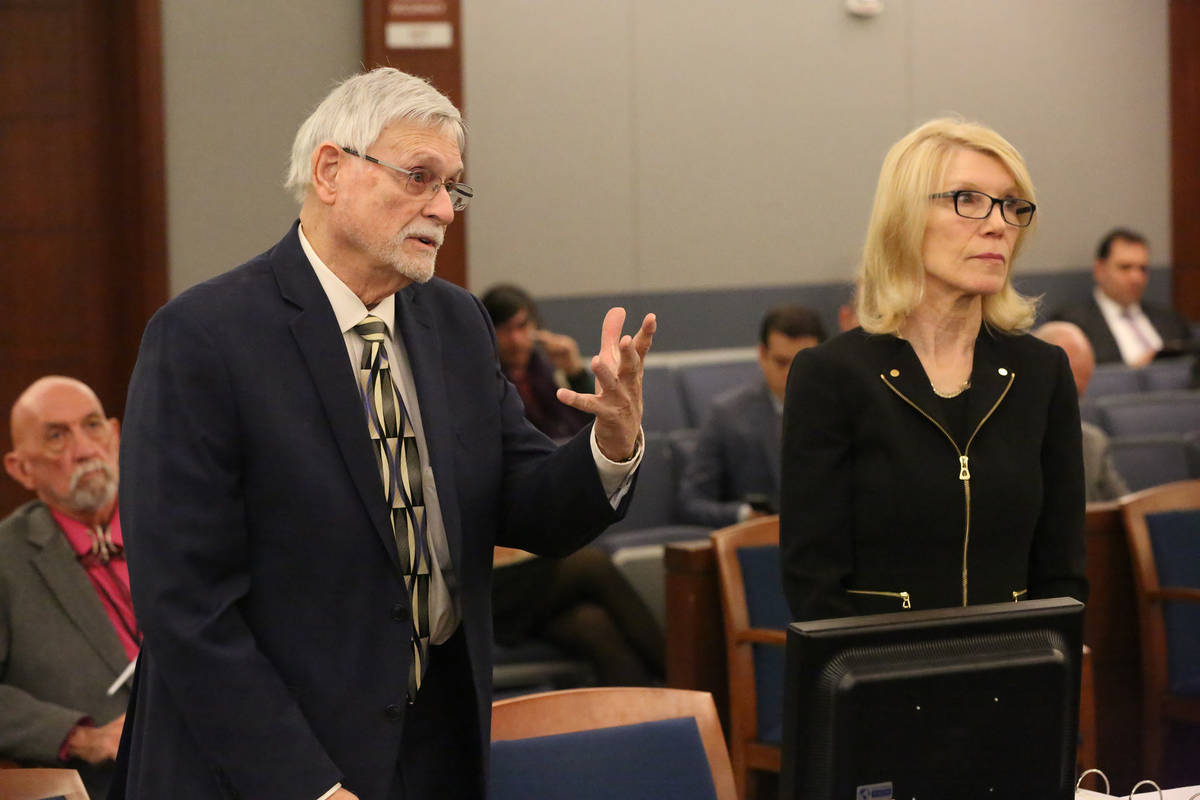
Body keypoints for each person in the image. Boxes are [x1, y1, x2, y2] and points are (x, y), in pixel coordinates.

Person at [110, 67, 655, 800]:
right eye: (420, 177)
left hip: (433, 742)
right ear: (331, 171)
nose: (443, 208)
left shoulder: (456, 323)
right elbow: (186, 607)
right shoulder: (205, 338)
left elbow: (528, 504)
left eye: (453, 187)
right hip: (264, 762)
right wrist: (306, 786)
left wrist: (612, 445)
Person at [781, 117, 1088, 623]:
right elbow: (814, 581)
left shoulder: (1042, 371)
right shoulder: (831, 376)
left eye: (1012, 205)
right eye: (967, 199)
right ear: (905, 219)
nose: (998, 224)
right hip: (878, 678)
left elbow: (1062, 566)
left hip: (1015, 672)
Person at [1, 376, 136, 798]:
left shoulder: (183, 525)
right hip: (103, 787)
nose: (84, 450)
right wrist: (84, 738)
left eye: (93, 426)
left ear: (115, 435)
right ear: (21, 468)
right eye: (57, 436)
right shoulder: (7, 559)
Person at [678, 305, 825, 527]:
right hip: (763, 546)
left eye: (803, 363)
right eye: (782, 363)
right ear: (762, 355)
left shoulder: (844, 409)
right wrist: (744, 515)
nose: (793, 373)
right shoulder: (728, 415)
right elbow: (691, 503)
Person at [1051, 229, 1192, 366]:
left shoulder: (1170, 320)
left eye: (1142, 268)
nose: (1136, 278)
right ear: (1099, 270)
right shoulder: (1073, 324)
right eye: (1125, 267)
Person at [481, 284, 593, 440]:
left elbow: (597, 423)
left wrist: (575, 372)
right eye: (504, 329)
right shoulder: (485, 381)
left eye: (522, 326)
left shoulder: (547, 371)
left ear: (535, 326)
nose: (515, 339)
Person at [1034, 321, 1129, 502]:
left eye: (1076, 395)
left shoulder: (1091, 443)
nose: (1067, 405)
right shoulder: (996, 439)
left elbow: (1126, 513)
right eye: (1059, 390)